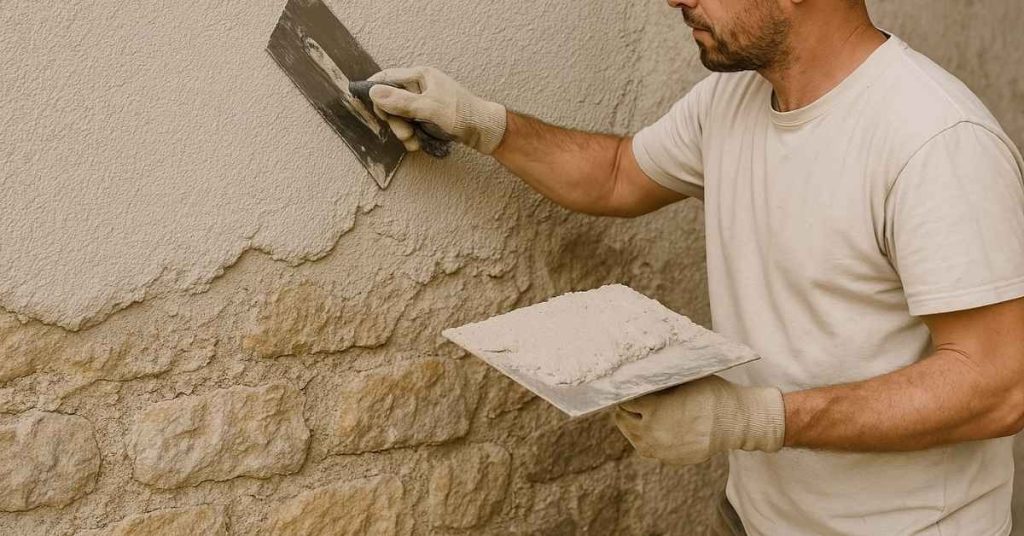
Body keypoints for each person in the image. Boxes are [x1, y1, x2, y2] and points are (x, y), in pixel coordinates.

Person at [364, 0, 1024, 533]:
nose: (675, 1)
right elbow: (617, 174)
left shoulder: (934, 139)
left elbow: (1000, 387)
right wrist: (482, 123)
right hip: (755, 518)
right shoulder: (729, 101)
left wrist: (754, 420)